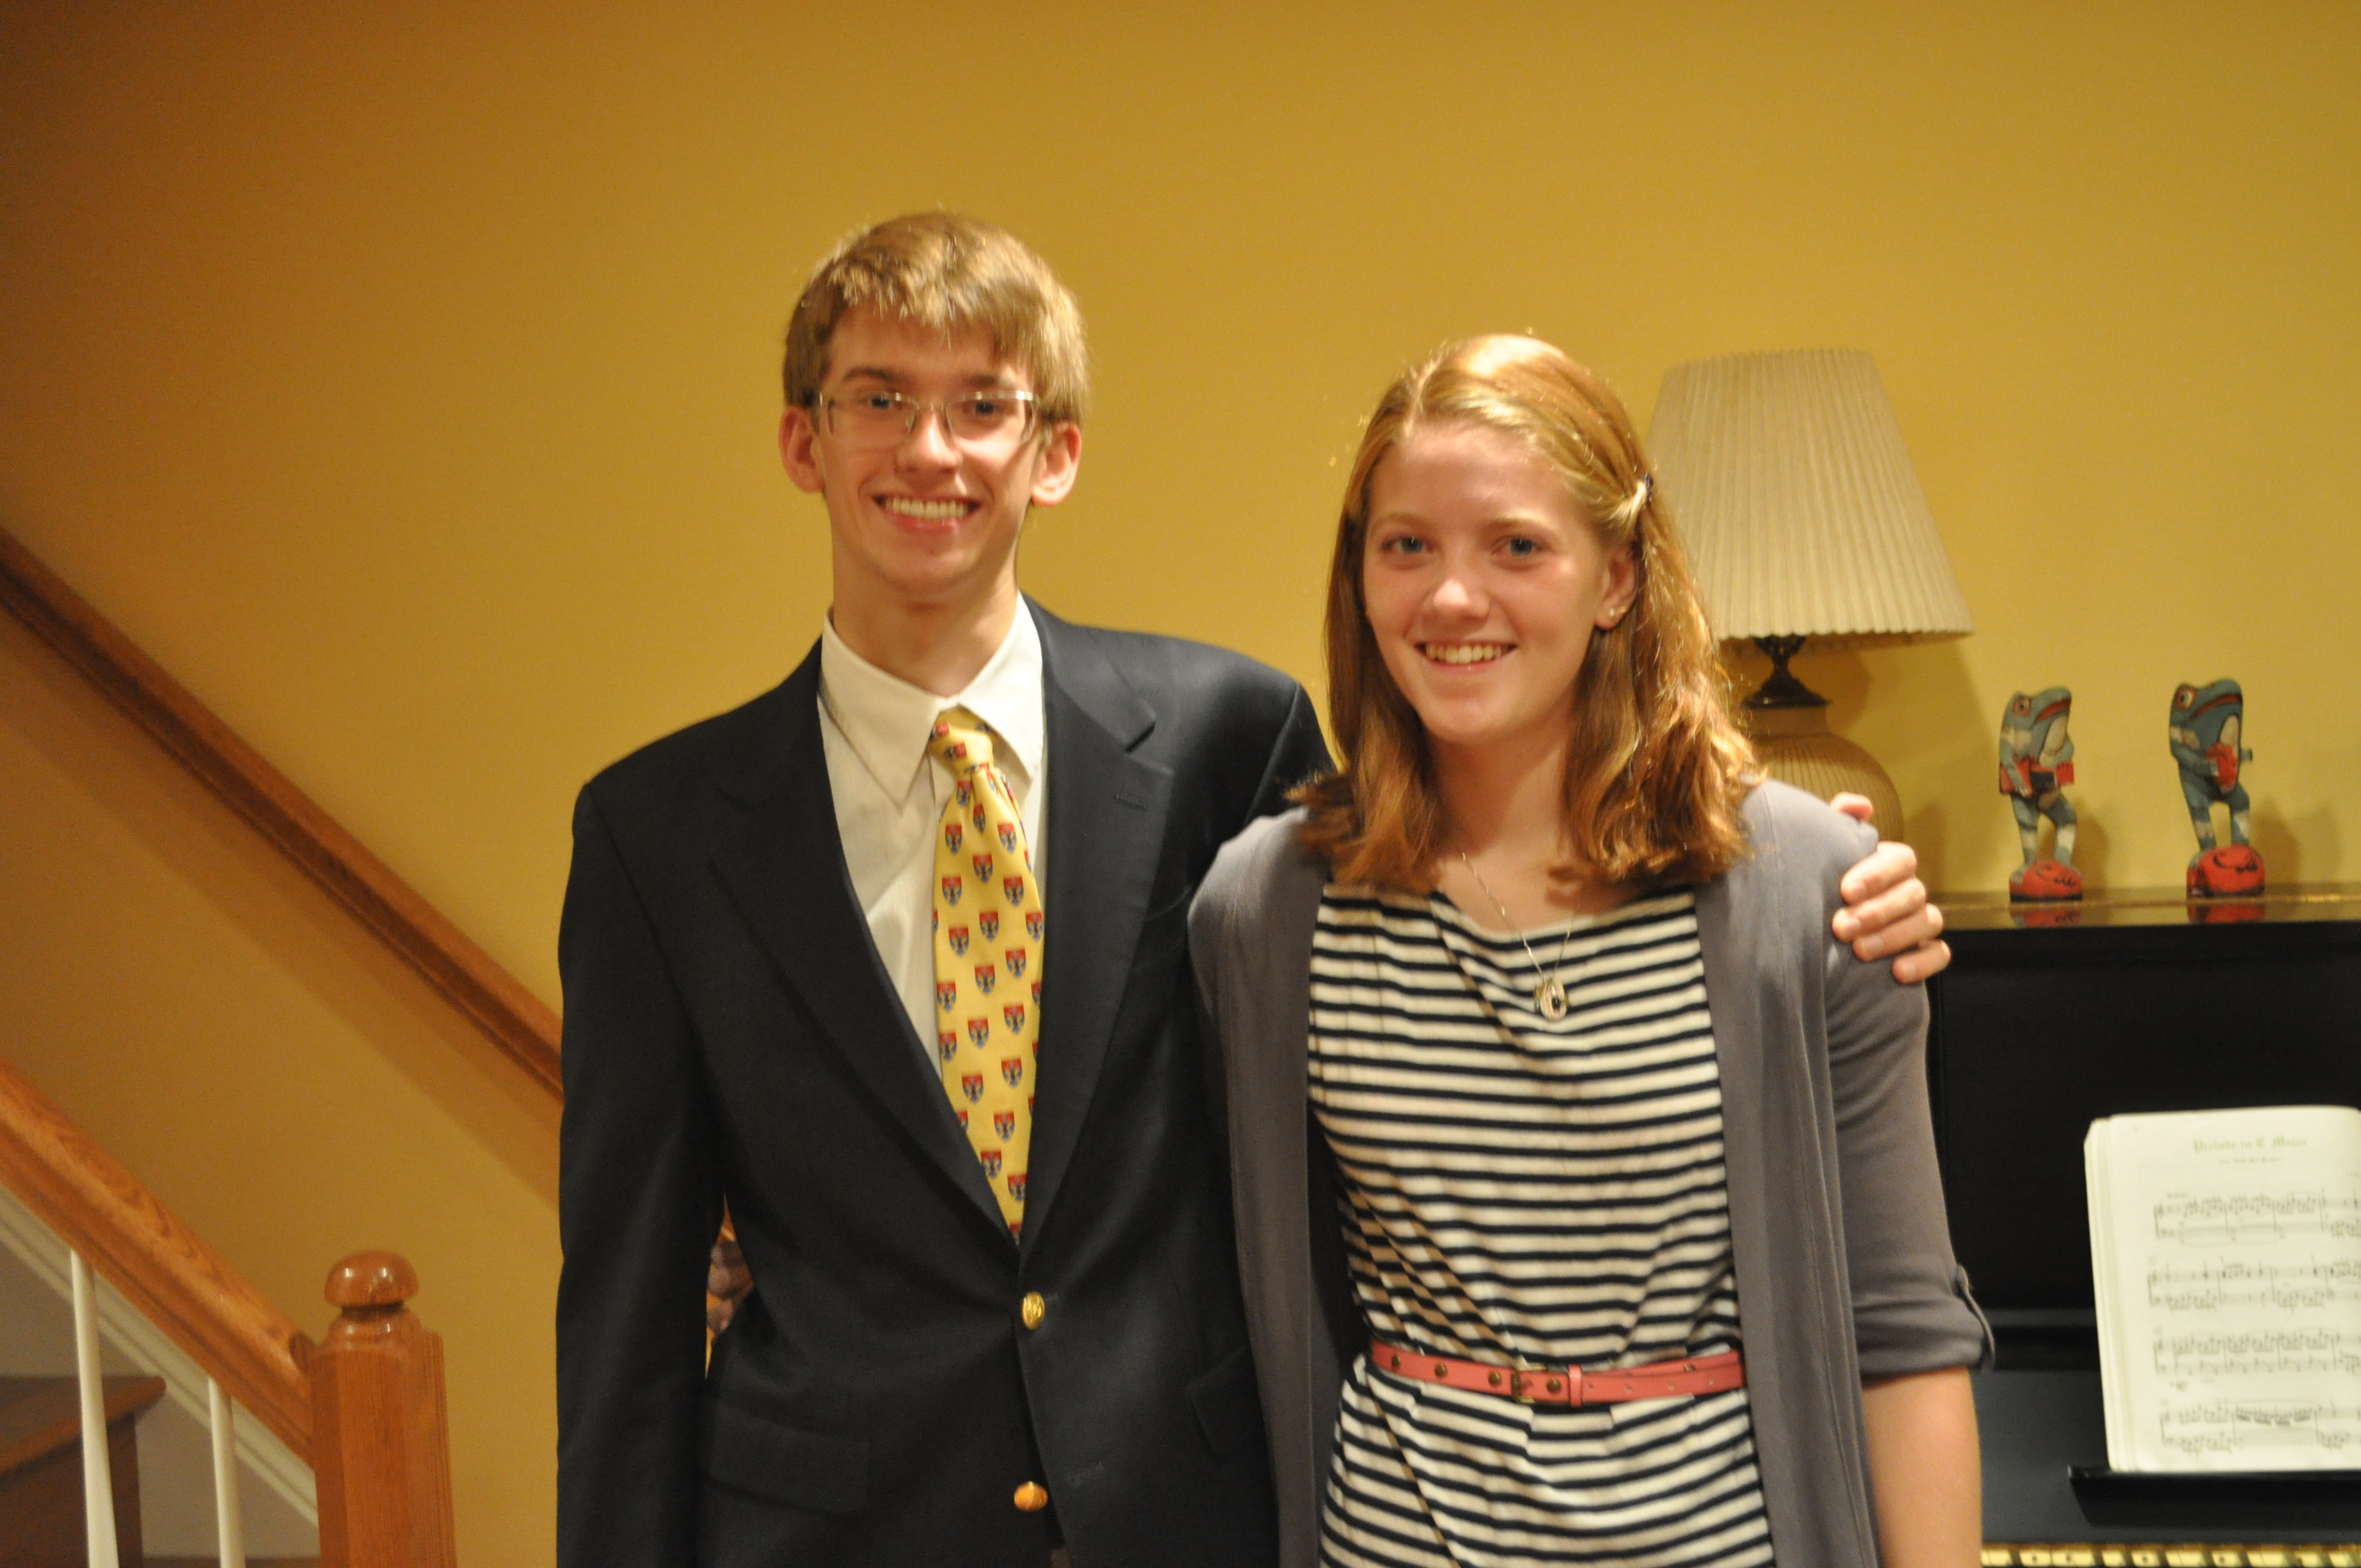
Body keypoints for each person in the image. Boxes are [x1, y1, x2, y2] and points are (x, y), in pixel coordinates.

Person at [557, 216, 1953, 1568]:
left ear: (1054, 453)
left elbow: (1502, 878)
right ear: (804, 438)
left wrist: (1802, 870)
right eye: (879, 397)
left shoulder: (1226, 739)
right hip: (834, 1529)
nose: (932, 448)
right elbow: (627, 1310)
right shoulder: (656, 830)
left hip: (1191, 1513)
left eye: (983, 403)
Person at [1190, 337, 1990, 1568]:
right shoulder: (1268, 908)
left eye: (1514, 544)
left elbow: (1899, 1326)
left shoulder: (1806, 893)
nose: (1451, 597)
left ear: (1615, 576)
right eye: (1406, 544)